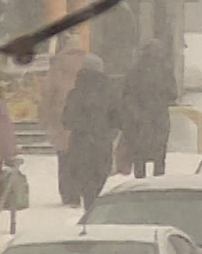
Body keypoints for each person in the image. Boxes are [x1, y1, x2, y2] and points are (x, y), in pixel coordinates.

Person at [62, 53, 120, 210]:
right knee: (99, 177)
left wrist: (82, 127)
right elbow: (117, 118)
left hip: (80, 143)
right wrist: (107, 130)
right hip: (102, 143)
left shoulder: (75, 93)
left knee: (85, 179)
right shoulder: (109, 92)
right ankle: (93, 206)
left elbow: (67, 121)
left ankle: (89, 207)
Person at [120, 39, 176, 178]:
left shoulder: (134, 71)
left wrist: (136, 111)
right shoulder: (165, 70)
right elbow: (173, 94)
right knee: (159, 156)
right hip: (159, 119)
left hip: (139, 120)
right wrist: (160, 101)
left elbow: (126, 95)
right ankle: (157, 184)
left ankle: (140, 184)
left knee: (139, 156)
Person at [41, 41, 87, 206]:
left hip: (61, 120)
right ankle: (83, 189)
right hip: (83, 120)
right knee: (82, 157)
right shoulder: (87, 62)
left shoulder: (57, 67)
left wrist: (47, 118)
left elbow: (48, 94)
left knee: (65, 159)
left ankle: (68, 194)